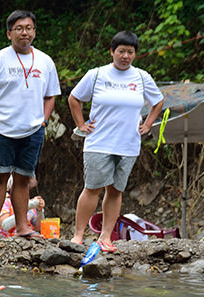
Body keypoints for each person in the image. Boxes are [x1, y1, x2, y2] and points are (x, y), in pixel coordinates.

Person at [68, 31, 164, 251]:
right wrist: (81, 124)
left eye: (130, 52)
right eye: (121, 51)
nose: (125, 56)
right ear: (112, 51)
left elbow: (157, 101)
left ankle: (106, 237)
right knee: (92, 188)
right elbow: (74, 98)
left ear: (135, 54)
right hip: (99, 141)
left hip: (128, 144)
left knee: (115, 191)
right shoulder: (97, 74)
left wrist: (148, 124)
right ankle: (78, 235)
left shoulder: (141, 77)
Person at [0, 9, 59, 239]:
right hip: (1, 128)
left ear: (34, 32)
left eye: (29, 28)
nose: (24, 33)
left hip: (33, 130)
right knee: (0, 176)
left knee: (23, 178)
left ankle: (22, 228)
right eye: (19, 29)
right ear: (9, 33)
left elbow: (51, 95)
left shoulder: (45, 61)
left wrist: (44, 120)